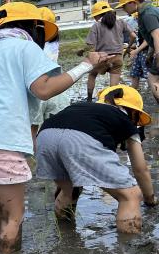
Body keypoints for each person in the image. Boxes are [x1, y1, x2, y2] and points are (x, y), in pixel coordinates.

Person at [0, 2, 113, 254]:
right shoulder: (26, 48)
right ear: (33, 27)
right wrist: (87, 65)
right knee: (14, 215)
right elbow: (43, 91)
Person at [36, 84, 156, 232]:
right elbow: (140, 169)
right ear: (133, 112)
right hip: (80, 140)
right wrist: (150, 200)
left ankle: (66, 237)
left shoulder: (84, 107)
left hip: (45, 136)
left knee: (69, 189)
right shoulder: (125, 119)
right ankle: (128, 248)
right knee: (130, 195)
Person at [30, 8, 71, 142]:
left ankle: (37, 159)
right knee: (59, 131)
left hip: (36, 92)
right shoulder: (54, 41)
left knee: (34, 132)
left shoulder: (29, 45)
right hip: (57, 90)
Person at [84, 1, 136, 101]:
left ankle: (89, 99)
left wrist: (85, 53)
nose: (95, 19)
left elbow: (91, 45)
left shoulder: (96, 26)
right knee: (113, 86)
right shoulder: (121, 22)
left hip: (102, 58)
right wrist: (128, 47)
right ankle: (112, 103)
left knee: (92, 75)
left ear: (98, 15)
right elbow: (133, 36)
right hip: (117, 58)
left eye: (95, 16)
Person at [117, 0, 159, 103]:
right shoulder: (144, 12)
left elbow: (157, 35)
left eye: (124, 6)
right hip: (153, 50)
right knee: (153, 78)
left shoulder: (147, 14)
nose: (123, 9)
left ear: (133, 3)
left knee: (153, 79)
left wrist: (157, 55)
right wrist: (151, 53)